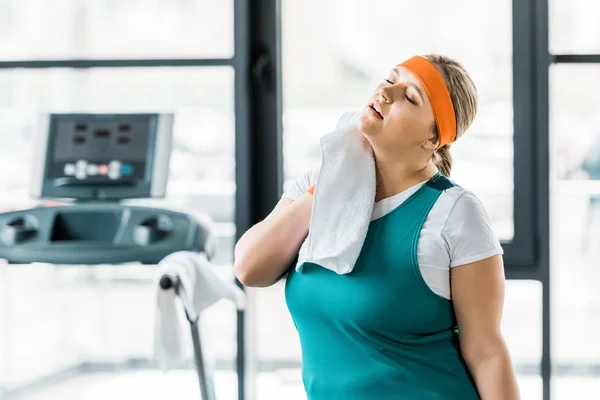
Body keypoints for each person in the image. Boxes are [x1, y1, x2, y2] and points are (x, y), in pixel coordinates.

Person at [233, 54, 520, 399]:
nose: (387, 91)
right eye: (391, 78)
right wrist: (327, 187)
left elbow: (487, 354)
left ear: (433, 139)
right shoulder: (318, 183)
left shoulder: (455, 213)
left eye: (410, 96)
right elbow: (251, 269)